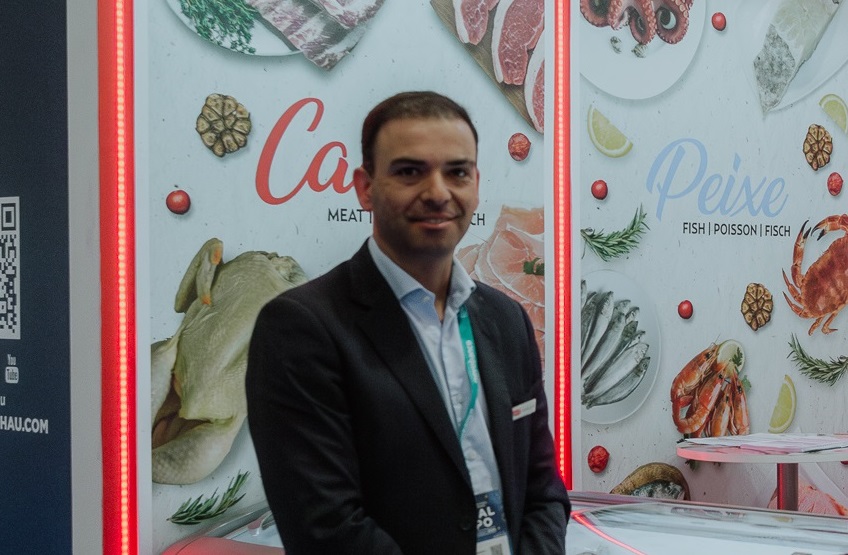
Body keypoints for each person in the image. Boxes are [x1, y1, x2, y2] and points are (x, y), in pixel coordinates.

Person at [246, 91, 570, 555]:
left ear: (476, 185)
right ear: (365, 187)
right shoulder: (302, 329)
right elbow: (327, 527)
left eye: (457, 172)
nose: (438, 192)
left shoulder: (506, 320)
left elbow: (543, 491)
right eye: (409, 172)